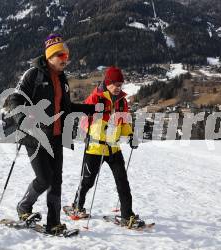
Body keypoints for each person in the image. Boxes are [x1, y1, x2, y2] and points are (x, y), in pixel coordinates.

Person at [9, 34, 94, 235]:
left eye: (67, 55)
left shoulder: (63, 80)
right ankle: (24, 207)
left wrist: (89, 109)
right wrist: (23, 122)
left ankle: (54, 222)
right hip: (35, 136)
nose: (65, 59)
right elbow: (14, 101)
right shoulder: (33, 75)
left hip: (56, 138)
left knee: (56, 181)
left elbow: (66, 108)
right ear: (50, 56)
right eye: (61, 55)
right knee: (44, 178)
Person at [69, 66, 145, 228]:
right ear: (108, 82)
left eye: (121, 84)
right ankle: (77, 206)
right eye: (115, 84)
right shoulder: (95, 98)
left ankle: (126, 215)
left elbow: (124, 123)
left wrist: (130, 136)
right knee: (88, 182)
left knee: (122, 182)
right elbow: (83, 123)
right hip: (95, 149)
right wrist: (97, 125)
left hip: (114, 149)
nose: (119, 88)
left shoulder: (122, 102)